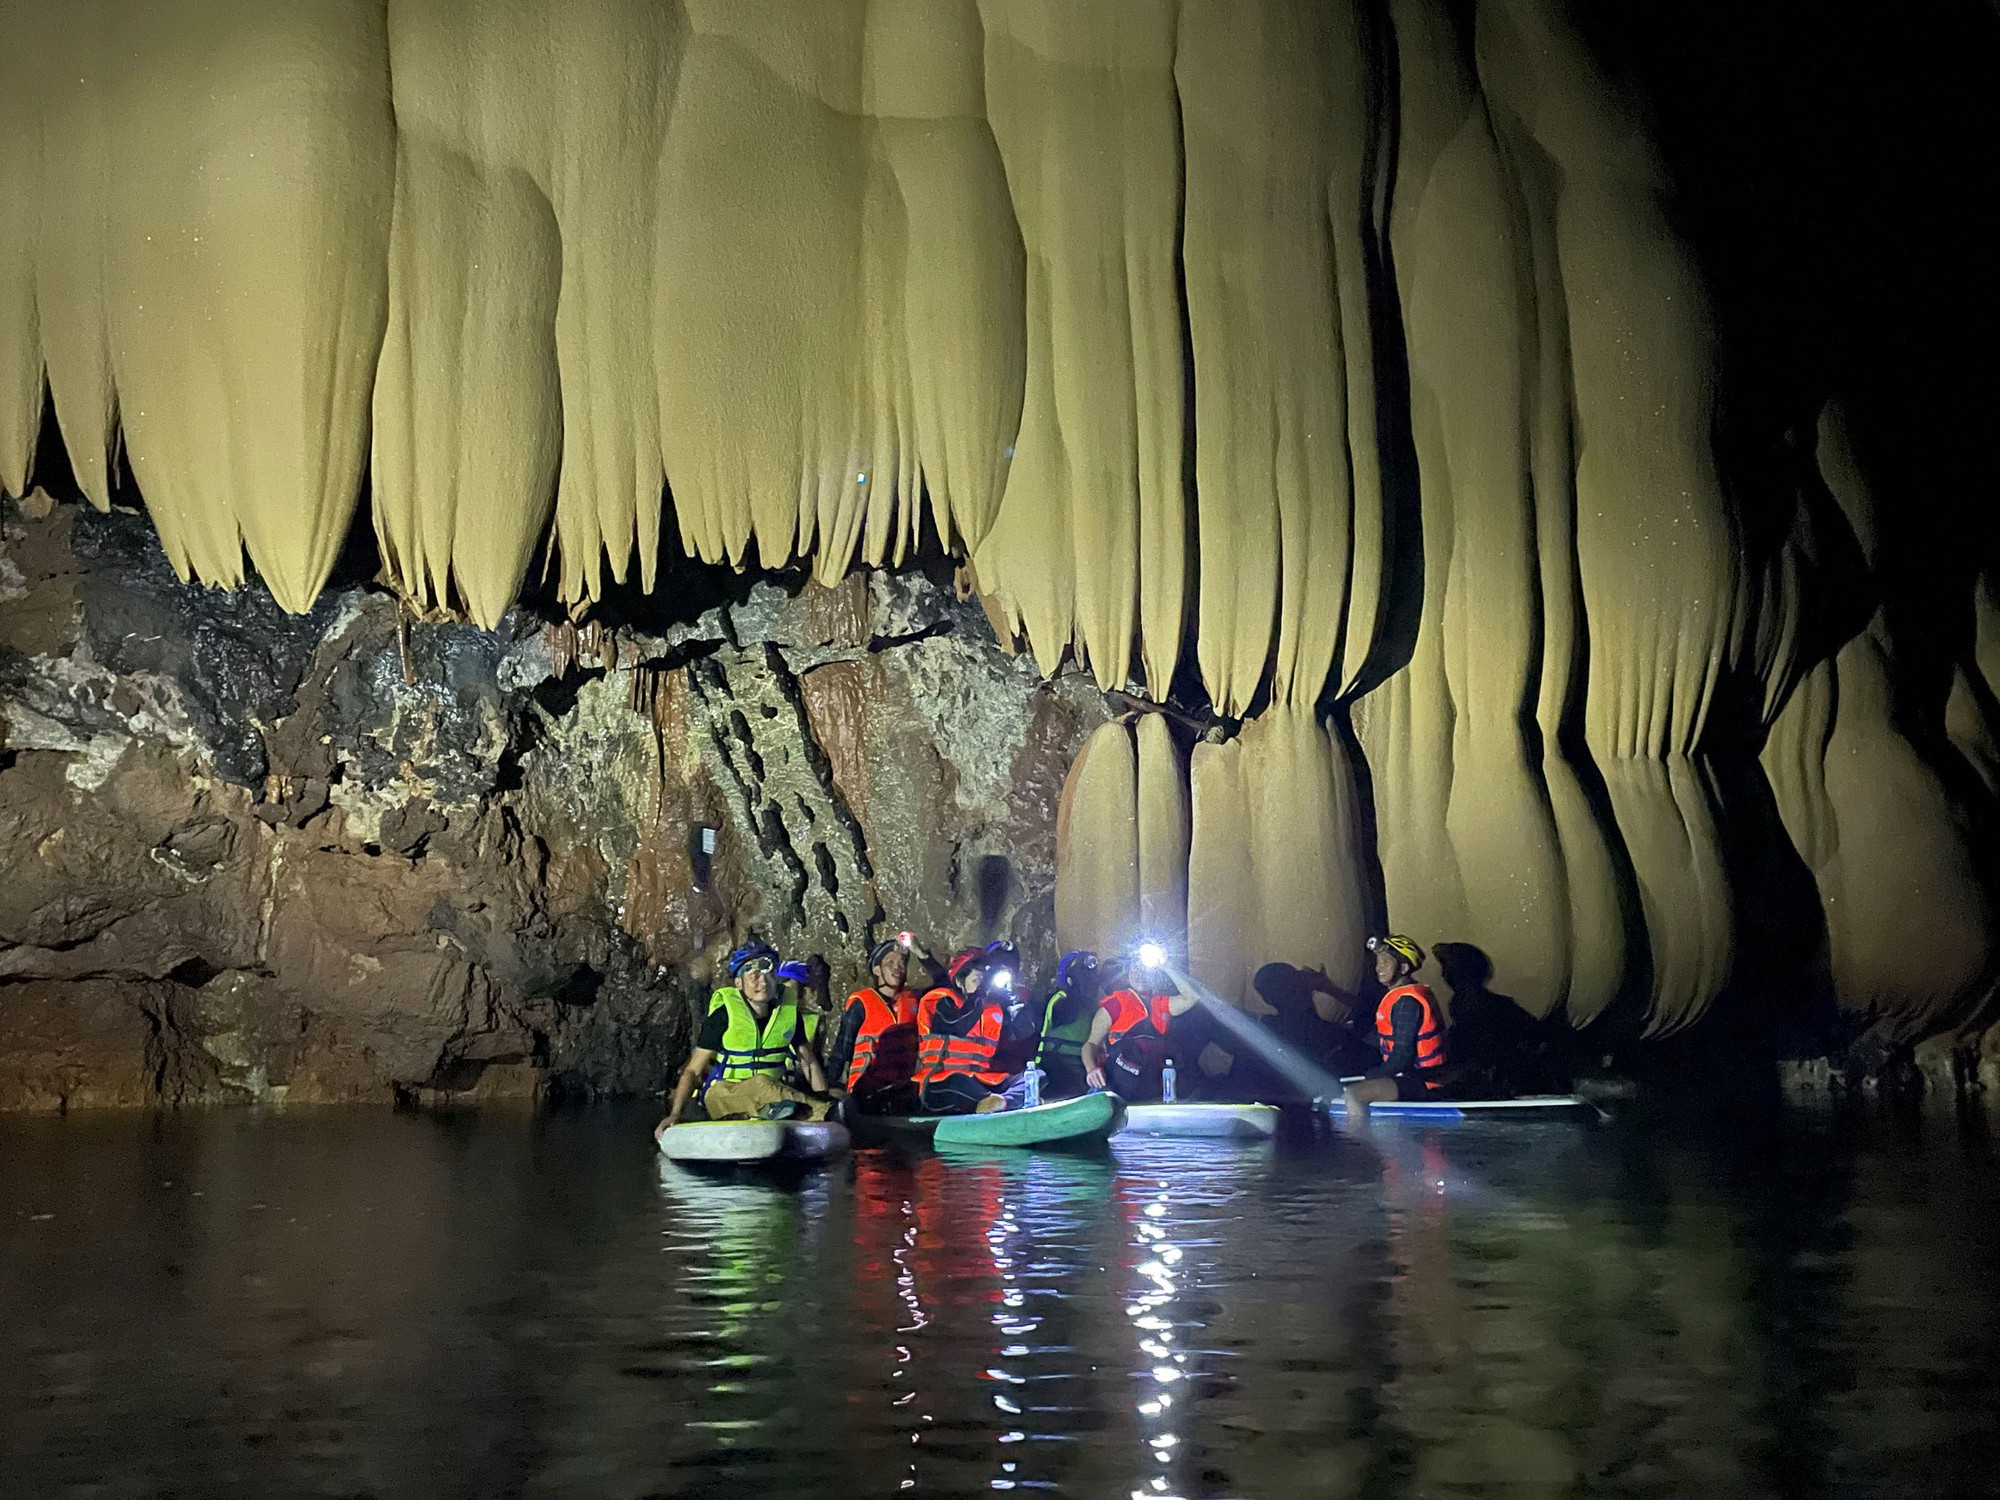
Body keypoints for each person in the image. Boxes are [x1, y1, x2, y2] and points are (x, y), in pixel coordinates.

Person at [657, 941, 831, 1136]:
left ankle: (809, 1111)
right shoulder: (723, 1016)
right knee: (761, 1085)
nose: (763, 982)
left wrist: (824, 1095)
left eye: (768, 975)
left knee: (767, 1087)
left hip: (773, 1097)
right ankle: (825, 1113)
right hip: (724, 1095)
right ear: (739, 984)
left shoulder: (788, 1014)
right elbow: (692, 1071)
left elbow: (809, 1063)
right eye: (754, 977)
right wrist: (674, 1114)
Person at [1343, 934, 1447, 1117]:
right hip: (1413, 1077)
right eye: (1378, 962)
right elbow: (1383, 1039)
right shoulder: (1400, 997)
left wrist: (1375, 1075)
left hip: (1424, 1082)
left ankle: (1357, 1144)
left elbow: (1402, 1054)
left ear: (1404, 968)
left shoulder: (1407, 1002)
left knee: (1353, 1094)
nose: (1379, 967)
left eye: (1386, 962)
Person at [822, 934, 925, 1113]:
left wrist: (922, 954)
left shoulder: (914, 1001)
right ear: (877, 970)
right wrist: (830, 1089)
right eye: (890, 963)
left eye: (902, 963)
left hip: (903, 1091)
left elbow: (945, 986)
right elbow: (841, 1051)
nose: (897, 968)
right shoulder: (861, 1004)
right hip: (866, 1092)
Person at [1081, 948, 1199, 1101]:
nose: (1139, 974)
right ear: (1128, 973)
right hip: (1116, 1088)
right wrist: (1091, 1069)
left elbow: (1192, 997)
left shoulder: (1160, 1004)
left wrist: (1166, 965)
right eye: (1135, 969)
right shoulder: (1115, 1004)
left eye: (1144, 970)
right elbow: (1090, 1044)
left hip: (1150, 1089)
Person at [914, 946, 1020, 1114]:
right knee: (959, 1082)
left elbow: (1021, 1035)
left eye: (984, 980)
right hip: (940, 1082)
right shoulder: (941, 1001)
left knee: (1034, 1076)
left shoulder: (990, 1008)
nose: (982, 985)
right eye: (977, 979)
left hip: (978, 1080)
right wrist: (979, 995)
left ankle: (1001, 1102)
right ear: (959, 981)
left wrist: (1013, 1006)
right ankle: (994, 1103)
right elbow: (956, 1025)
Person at [1036, 950, 1102, 1098]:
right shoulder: (1059, 1000)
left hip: (1081, 1065)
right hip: (1055, 1065)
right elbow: (1064, 1015)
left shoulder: (1093, 1004)